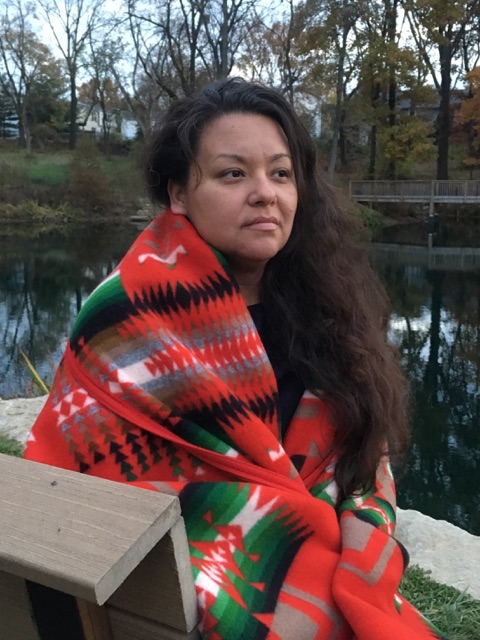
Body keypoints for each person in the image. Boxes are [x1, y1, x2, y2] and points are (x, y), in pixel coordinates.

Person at [25, 78, 446, 639]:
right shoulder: (126, 320)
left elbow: (364, 459)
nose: (265, 192)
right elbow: (91, 479)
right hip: (185, 600)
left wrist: (355, 520)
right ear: (178, 194)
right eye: (232, 173)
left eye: (281, 173)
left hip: (319, 560)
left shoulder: (324, 308)